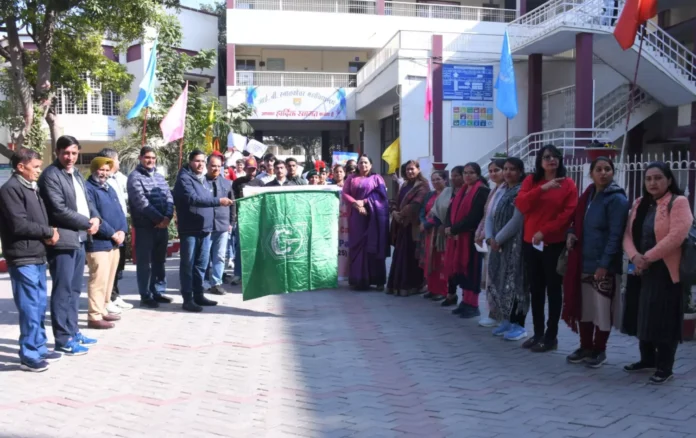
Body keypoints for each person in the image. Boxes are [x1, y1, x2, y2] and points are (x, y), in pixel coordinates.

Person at [622, 162, 693, 384]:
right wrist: (635, 257)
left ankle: (665, 366)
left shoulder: (678, 202)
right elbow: (627, 234)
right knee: (640, 313)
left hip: (665, 269)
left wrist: (647, 258)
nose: (653, 183)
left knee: (664, 318)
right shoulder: (639, 203)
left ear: (669, 180)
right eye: (649, 178)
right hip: (639, 266)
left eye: (658, 178)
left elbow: (676, 236)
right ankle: (647, 359)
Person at [38, 135, 101, 355]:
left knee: (74, 290)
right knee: (62, 290)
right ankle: (63, 339)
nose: (70, 157)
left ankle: (74, 331)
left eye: (74, 153)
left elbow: (87, 202)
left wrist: (95, 218)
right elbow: (58, 210)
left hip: (80, 239)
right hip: (63, 241)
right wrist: (87, 223)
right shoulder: (50, 176)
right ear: (57, 152)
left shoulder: (76, 175)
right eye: (66, 153)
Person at [0, 149, 61, 372]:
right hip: (21, 256)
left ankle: (39, 346)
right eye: (35, 166)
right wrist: (48, 232)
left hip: (36, 254)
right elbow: (19, 224)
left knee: (39, 304)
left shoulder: (32, 189)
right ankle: (29, 354)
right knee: (29, 307)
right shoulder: (10, 190)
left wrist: (49, 234)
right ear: (20, 167)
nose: (38, 170)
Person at [564, 157, 628, 368]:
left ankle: (599, 349)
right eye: (598, 169)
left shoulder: (616, 198)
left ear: (613, 172)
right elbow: (575, 220)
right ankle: (585, 346)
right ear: (591, 173)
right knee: (585, 307)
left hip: (603, 264)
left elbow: (615, 235)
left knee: (601, 309)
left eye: (607, 169)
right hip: (583, 260)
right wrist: (572, 233)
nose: (603, 173)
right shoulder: (588, 195)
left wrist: (604, 264)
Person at [516, 145, 578, 352]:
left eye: (555, 157)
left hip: (553, 243)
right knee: (536, 289)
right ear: (540, 161)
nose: (551, 160)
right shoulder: (531, 181)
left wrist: (545, 231)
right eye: (546, 157)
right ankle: (538, 333)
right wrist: (543, 188)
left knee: (553, 290)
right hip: (530, 242)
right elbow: (522, 204)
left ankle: (551, 336)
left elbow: (568, 214)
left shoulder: (568, 184)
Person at [174, 149, 234, 312]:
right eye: (197, 161)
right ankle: (188, 298)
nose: (200, 164)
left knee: (201, 265)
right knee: (188, 264)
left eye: (202, 161)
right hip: (190, 229)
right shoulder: (185, 179)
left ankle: (198, 294)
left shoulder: (203, 179)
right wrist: (218, 201)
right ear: (190, 162)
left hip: (205, 228)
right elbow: (193, 199)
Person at [127, 146, 175, 309]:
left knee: (159, 261)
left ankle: (158, 291)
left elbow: (169, 197)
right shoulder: (134, 177)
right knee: (144, 263)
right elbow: (141, 202)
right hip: (145, 227)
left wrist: (167, 217)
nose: (150, 160)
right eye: (147, 157)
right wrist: (159, 218)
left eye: (153, 158)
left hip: (162, 227)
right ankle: (145, 295)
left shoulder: (160, 177)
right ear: (140, 158)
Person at [487, 158, 529, 341]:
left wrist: (498, 238)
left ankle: (518, 324)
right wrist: (490, 237)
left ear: (520, 172)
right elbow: (490, 214)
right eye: (505, 169)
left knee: (516, 282)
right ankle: (506, 319)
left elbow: (516, 220)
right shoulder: (501, 190)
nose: (508, 172)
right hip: (497, 244)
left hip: (514, 244)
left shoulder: (522, 191)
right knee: (500, 280)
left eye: (513, 169)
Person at [84, 157, 128, 330]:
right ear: (93, 169)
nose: (103, 173)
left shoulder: (109, 188)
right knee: (98, 280)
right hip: (99, 242)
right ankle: (94, 316)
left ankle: (103, 309)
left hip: (114, 242)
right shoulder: (88, 189)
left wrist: (122, 231)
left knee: (109, 280)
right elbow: (93, 215)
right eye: (100, 169)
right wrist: (111, 233)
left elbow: (120, 211)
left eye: (106, 170)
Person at [444, 163, 491, 318]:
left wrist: (454, 229)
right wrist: (449, 227)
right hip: (457, 237)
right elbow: (451, 211)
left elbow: (474, 217)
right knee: (461, 270)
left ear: (477, 174)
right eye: (465, 173)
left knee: (471, 270)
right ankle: (465, 302)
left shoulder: (482, 191)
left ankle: (473, 304)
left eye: (471, 173)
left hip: (471, 237)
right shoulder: (462, 191)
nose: (467, 176)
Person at [342, 155, 390, 290]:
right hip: (357, 217)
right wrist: (356, 205)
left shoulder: (377, 178)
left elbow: (382, 196)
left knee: (374, 245)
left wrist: (364, 202)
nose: (363, 165)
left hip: (373, 217)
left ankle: (378, 280)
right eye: (361, 163)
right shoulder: (351, 179)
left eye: (366, 162)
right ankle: (359, 280)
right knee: (358, 245)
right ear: (357, 165)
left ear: (371, 165)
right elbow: (345, 194)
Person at [97, 148, 133, 314]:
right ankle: (108, 298)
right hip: (109, 230)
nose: (119, 163)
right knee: (108, 268)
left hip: (121, 226)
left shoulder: (120, 178)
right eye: (117, 159)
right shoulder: (101, 180)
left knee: (118, 266)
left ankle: (115, 294)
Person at [387, 160, 429, 297]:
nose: (410, 172)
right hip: (401, 225)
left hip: (413, 226)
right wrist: (394, 212)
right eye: (407, 170)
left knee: (411, 256)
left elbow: (416, 204)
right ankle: (397, 286)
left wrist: (401, 214)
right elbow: (395, 200)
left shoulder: (423, 186)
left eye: (412, 169)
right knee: (400, 255)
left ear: (418, 169)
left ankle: (414, 285)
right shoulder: (404, 184)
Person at [475, 159, 506, 328]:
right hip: (487, 237)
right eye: (491, 171)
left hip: (498, 239)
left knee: (496, 278)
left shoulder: (506, 190)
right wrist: (480, 232)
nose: (494, 173)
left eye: (497, 170)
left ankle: (498, 314)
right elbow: (486, 214)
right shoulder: (494, 190)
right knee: (488, 277)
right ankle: (492, 312)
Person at [205, 154, 236, 296]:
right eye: (213, 165)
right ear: (207, 166)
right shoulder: (201, 182)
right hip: (206, 225)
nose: (216, 168)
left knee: (220, 256)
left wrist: (231, 222)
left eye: (218, 166)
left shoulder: (227, 183)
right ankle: (202, 282)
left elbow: (232, 204)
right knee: (203, 256)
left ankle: (216, 283)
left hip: (223, 225)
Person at [419, 170, 449, 301]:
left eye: (438, 179)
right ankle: (431, 288)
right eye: (433, 180)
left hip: (440, 233)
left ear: (445, 180)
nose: (436, 182)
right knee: (429, 260)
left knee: (440, 261)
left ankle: (442, 291)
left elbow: (444, 213)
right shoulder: (430, 194)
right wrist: (423, 221)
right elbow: (422, 210)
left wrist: (428, 223)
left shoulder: (448, 194)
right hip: (428, 233)